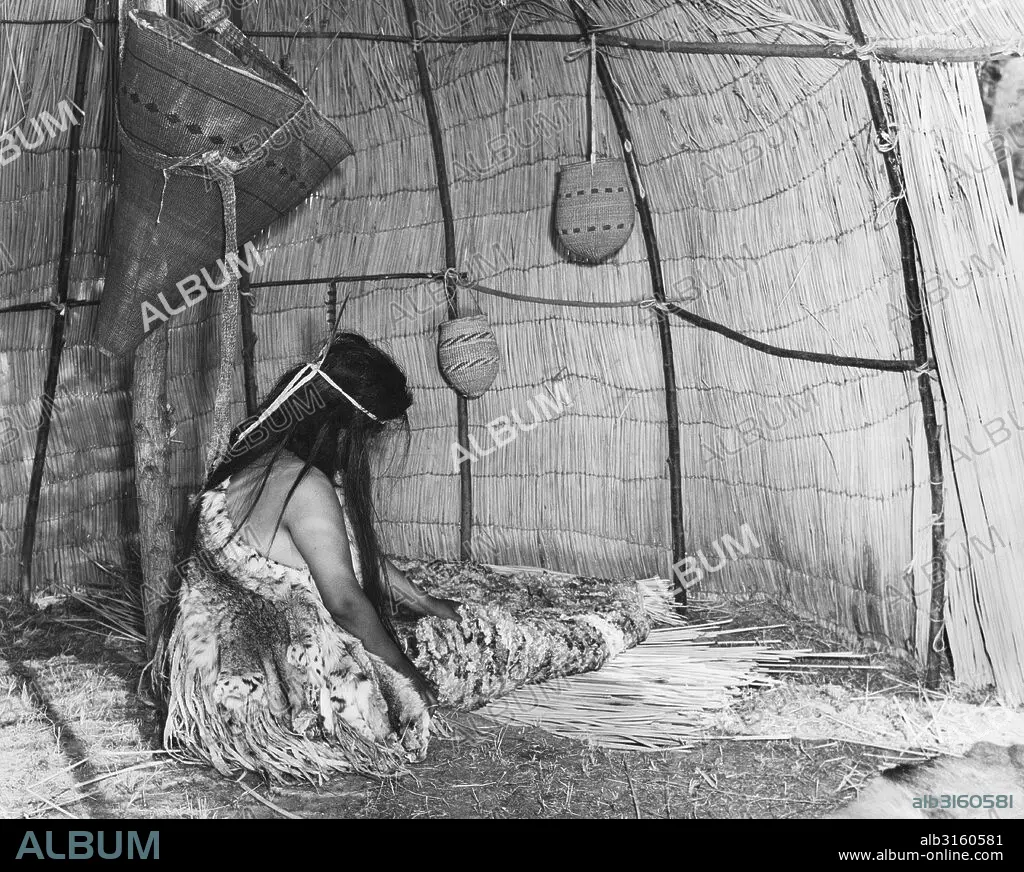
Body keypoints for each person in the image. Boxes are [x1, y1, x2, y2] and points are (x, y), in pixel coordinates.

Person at [159, 332, 463, 780]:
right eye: (369, 438)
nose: (368, 451)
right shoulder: (306, 488)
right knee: (425, 685)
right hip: (270, 695)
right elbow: (344, 602)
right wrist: (406, 677)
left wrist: (425, 603)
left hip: (214, 674)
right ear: (344, 430)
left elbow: (346, 550)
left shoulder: (255, 454)